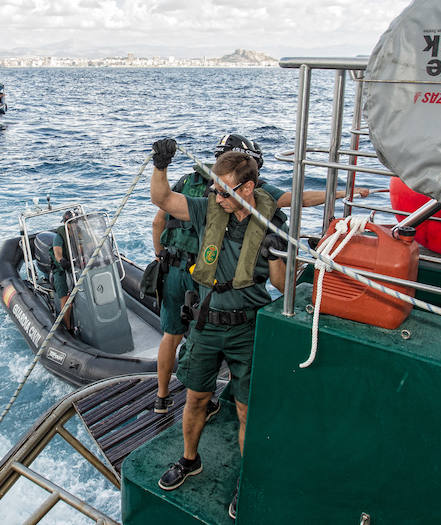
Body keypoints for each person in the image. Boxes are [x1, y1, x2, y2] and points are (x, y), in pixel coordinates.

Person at [150, 133, 369, 416]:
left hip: (176, 268)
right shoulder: (247, 194)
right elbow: (297, 199)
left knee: (172, 334)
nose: (220, 196)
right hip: (203, 275)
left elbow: (160, 217)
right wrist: (340, 194)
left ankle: (162, 397)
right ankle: (224, 393)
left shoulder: (189, 181)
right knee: (213, 327)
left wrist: (159, 256)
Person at [149, 138, 288, 520]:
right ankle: (189, 460)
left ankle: (248, 478)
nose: (216, 195)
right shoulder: (209, 209)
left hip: (247, 329)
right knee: (195, 398)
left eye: (223, 190)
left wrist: (277, 255)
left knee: (245, 411)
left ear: (247, 189)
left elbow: (281, 285)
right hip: (207, 323)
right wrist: (160, 165)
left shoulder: (271, 221)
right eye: (214, 187)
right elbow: (162, 201)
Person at [51, 211, 76, 331]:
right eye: (69, 223)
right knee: (66, 301)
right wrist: (62, 261)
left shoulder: (80, 234)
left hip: (77, 266)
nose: (72, 225)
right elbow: (57, 253)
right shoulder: (59, 236)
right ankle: (68, 327)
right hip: (61, 268)